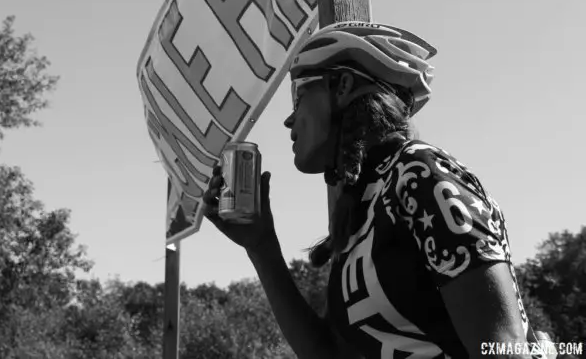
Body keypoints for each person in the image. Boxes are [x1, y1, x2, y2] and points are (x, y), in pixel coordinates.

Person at [203, 22, 553, 359]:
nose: (289, 119)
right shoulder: (363, 209)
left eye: (299, 95)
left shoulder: (420, 174)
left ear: (341, 86)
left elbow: (504, 349)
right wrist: (262, 246)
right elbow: (332, 354)